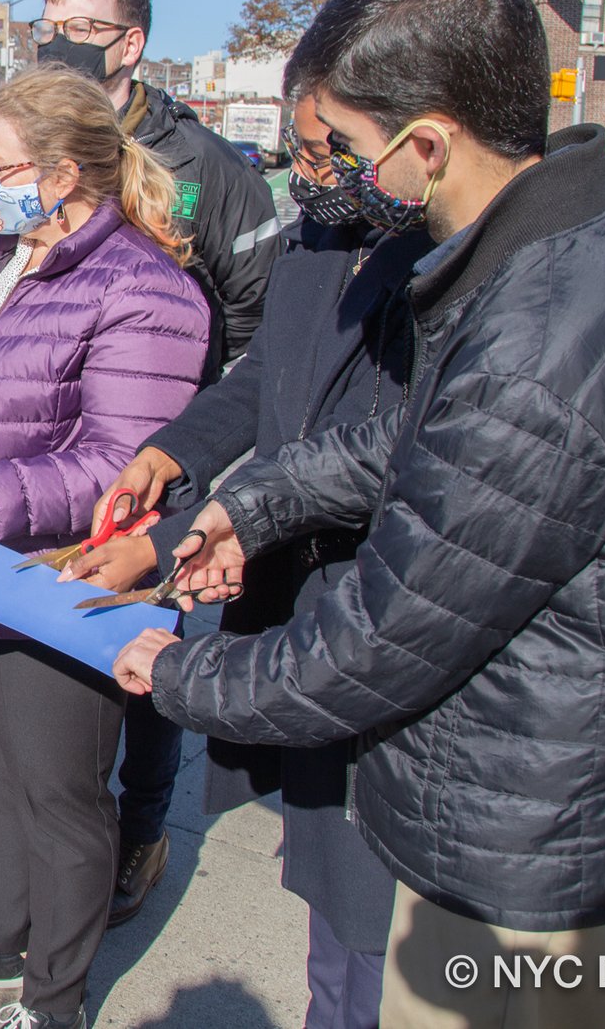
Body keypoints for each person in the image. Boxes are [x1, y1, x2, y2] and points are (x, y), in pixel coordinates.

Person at [114, 0, 605, 1029]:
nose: (334, 177)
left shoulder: (546, 332)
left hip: (523, 853)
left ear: (428, 143)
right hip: (524, 809)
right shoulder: (567, 254)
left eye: (347, 148)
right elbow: (414, 442)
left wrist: (183, 671)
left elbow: (382, 634)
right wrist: (251, 504)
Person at [67, 82, 431, 1029]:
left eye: (327, 149)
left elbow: (394, 447)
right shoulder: (318, 237)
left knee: (370, 896)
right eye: (301, 148)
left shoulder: (450, 265)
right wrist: (173, 453)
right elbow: (266, 374)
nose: (305, 171)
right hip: (294, 575)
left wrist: (235, 519)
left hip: (380, 592)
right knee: (323, 869)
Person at [0, 65, 210, 1029]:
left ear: (60, 175)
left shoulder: (146, 287)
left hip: (59, 582)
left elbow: (124, 464)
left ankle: (55, 997)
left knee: (60, 799)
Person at [36, 0, 284, 922]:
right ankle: (55, 826)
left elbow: (261, 325)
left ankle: (140, 831)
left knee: (141, 652)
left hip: (163, 457)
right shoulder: (29, 147)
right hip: (47, 451)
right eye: (48, 24)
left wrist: (202, 450)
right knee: (51, 651)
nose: (61, 41)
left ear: (129, 45)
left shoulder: (206, 167)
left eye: (84, 27)